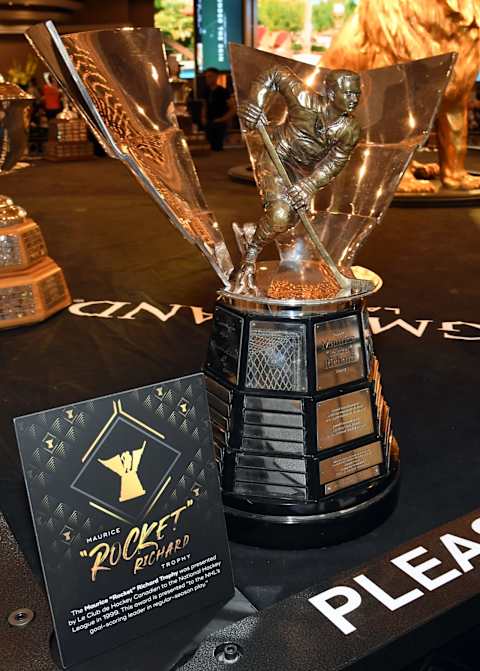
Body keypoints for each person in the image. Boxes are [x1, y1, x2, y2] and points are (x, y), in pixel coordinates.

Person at [233, 66, 361, 293]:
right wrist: (255, 103)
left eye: (357, 94)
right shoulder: (303, 100)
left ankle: (255, 231)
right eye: (348, 93)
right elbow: (273, 73)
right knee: (280, 216)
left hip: (302, 173)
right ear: (331, 94)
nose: (354, 99)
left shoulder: (350, 129)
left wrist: (310, 184)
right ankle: (250, 255)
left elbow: (336, 161)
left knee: (289, 220)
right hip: (276, 158)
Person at [202, 67, 236, 151]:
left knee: (218, 146)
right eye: (206, 77)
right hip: (209, 122)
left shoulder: (223, 91)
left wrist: (223, 119)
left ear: (216, 77)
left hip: (220, 123)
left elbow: (233, 108)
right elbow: (205, 105)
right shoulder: (206, 91)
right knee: (210, 145)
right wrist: (203, 117)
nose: (207, 79)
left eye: (210, 76)